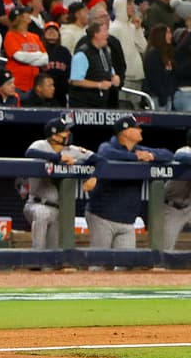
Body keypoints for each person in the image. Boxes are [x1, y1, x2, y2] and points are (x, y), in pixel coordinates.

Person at [86, 114, 171, 249]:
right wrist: (135, 157)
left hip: (127, 221)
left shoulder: (140, 149)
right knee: (100, 263)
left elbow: (168, 154)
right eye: (136, 128)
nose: (140, 130)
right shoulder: (107, 147)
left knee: (126, 264)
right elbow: (106, 154)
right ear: (125, 132)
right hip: (102, 217)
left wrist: (151, 156)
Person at [23, 117, 96, 250]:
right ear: (54, 136)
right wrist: (58, 158)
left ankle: (48, 267)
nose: (68, 134)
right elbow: (29, 153)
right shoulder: (41, 145)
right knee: (42, 214)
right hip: (37, 204)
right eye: (65, 131)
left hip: (59, 209)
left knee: (53, 251)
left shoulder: (72, 150)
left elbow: (98, 159)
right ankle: (36, 258)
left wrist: (94, 176)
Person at [69, 19, 123, 108]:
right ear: (96, 34)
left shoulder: (105, 51)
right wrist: (99, 85)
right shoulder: (82, 54)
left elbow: (109, 69)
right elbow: (76, 81)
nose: (107, 34)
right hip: (84, 105)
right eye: (105, 31)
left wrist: (114, 77)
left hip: (101, 103)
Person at [158, 142, 191, 252]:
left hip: (189, 206)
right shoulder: (185, 150)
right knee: (166, 249)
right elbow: (179, 156)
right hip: (172, 207)